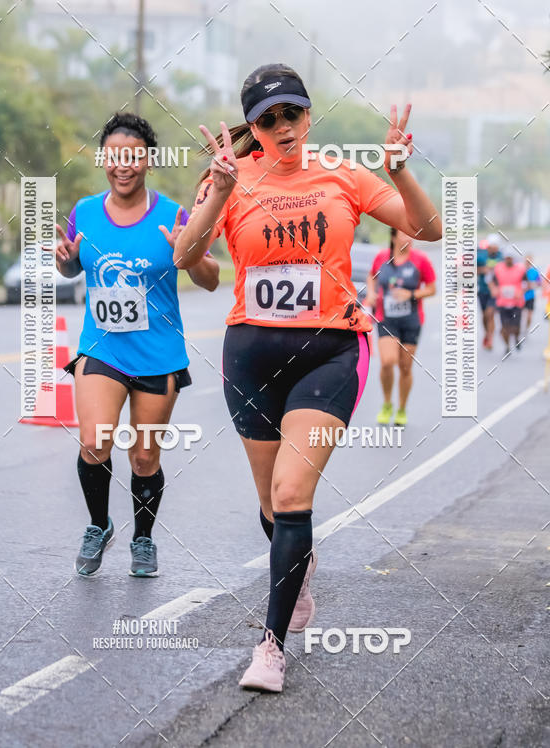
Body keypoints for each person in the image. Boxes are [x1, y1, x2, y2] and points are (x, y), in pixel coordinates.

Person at [174, 63, 442, 692]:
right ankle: (299, 559)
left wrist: (400, 169)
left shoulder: (344, 176)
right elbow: (187, 258)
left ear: (308, 114)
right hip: (250, 356)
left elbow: (428, 229)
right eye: (267, 119)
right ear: (252, 126)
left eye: (291, 113)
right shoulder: (231, 181)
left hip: (330, 351)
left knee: (294, 496)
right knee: (273, 506)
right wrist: (215, 190)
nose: (282, 127)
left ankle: (270, 647)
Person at [54, 112, 219, 577]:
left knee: (145, 455)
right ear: (103, 159)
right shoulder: (84, 212)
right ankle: (98, 524)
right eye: (113, 156)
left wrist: (188, 254)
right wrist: (67, 264)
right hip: (102, 347)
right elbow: (74, 267)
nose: (122, 165)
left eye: (132, 156)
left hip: (158, 353)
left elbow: (211, 278)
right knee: (93, 440)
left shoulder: (173, 215)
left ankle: (143, 539)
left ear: (148, 160)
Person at [365, 228, 436, 426]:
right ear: (394, 237)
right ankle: (387, 403)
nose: (409, 238)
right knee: (388, 361)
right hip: (386, 318)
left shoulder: (421, 260)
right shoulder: (381, 257)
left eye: (411, 235)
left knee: (405, 367)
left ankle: (402, 408)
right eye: (404, 234)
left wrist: (411, 295)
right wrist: (371, 293)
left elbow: (432, 289)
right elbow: (372, 277)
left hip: (411, 320)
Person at [489, 247, 527, 353]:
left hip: (516, 303)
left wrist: (522, 291)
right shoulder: (498, 268)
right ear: (504, 258)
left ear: (513, 259)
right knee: (504, 327)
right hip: (502, 302)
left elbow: (525, 283)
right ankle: (507, 346)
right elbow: (491, 281)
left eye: (510, 258)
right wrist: (494, 289)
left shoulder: (520, 269)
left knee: (515, 327)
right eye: (507, 258)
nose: (508, 260)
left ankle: (516, 338)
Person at [477, 233, 503, 350]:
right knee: (484, 316)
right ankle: (487, 333)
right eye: (492, 246)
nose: (494, 249)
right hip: (483, 289)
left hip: (495, 291)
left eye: (496, 246)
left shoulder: (501, 257)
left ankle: (490, 339)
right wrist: (483, 270)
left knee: (490, 314)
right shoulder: (481, 256)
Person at [523, 255, 541, 332]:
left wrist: (533, 285)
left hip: (530, 296)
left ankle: (526, 329)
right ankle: (520, 329)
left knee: (529, 317)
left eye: (530, 261)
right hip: (521, 297)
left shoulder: (535, 271)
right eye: (527, 261)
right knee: (521, 315)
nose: (528, 263)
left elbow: (539, 283)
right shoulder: (520, 270)